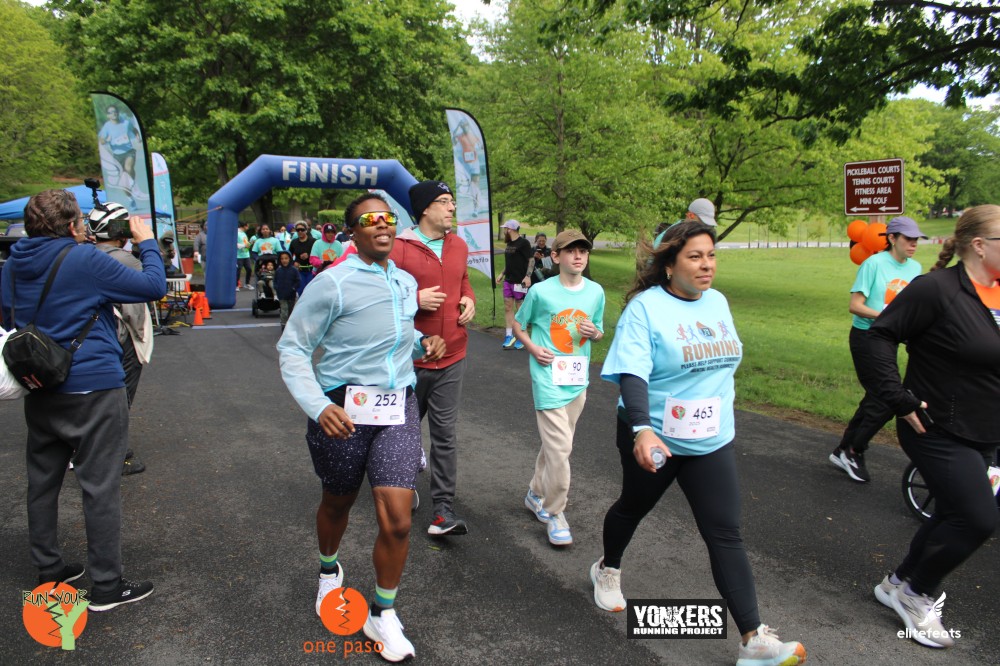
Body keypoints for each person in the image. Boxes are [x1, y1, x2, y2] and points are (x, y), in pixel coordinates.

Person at [591, 221, 806, 666]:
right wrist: (642, 428)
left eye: (711, 255)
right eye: (695, 256)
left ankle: (753, 640)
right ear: (669, 265)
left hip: (711, 440)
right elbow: (633, 373)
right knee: (633, 506)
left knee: (725, 531)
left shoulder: (718, 302)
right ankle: (607, 567)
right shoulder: (645, 309)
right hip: (655, 437)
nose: (707, 265)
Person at [277, 193, 445, 663]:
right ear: (352, 232)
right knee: (338, 500)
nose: (382, 225)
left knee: (398, 517)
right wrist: (317, 406)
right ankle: (328, 569)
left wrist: (423, 341)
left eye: (388, 218)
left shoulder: (405, 282)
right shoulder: (331, 283)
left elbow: (398, 332)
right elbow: (293, 349)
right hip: (342, 410)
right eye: (370, 219)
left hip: (397, 407)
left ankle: (382, 613)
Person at [0, 189, 166, 611]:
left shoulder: (13, 263)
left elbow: (8, 316)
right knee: (99, 486)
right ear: (74, 225)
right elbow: (153, 286)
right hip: (93, 384)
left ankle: (49, 568)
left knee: (42, 482)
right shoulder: (85, 259)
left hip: (40, 383)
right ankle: (107, 585)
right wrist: (147, 242)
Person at [867, 205, 1000, 650]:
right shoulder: (937, 290)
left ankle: (897, 582)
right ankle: (917, 594)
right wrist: (898, 397)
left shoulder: (997, 292)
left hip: (984, 430)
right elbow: (879, 336)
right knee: (977, 519)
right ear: (979, 246)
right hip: (936, 427)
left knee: (950, 512)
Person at [389, 180, 476, 536]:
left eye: (452, 201)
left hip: (452, 355)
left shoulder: (458, 245)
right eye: (444, 201)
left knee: (445, 436)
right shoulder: (398, 249)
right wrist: (415, 300)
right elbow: (381, 297)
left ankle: (443, 511)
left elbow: (463, 280)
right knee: (402, 434)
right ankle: (401, 484)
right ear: (425, 209)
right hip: (409, 360)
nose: (452, 207)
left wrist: (468, 299)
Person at [513, 230, 605, 546]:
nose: (578, 256)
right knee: (561, 448)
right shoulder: (541, 292)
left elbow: (599, 332)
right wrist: (532, 348)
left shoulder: (595, 292)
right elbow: (518, 325)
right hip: (548, 378)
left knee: (557, 446)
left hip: (577, 381)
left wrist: (594, 333)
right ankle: (555, 512)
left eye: (583, 251)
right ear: (556, 256)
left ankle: (535, 492)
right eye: (571, 251)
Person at [829, 216, 926, 482]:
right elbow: (855, 305)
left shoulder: (915, 268)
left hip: (891, 339)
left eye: (917, 239)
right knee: (888, 397)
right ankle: (853, 450)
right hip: (867, 336)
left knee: (877, 395)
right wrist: (888, 318)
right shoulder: (873, 264)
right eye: (908, 239)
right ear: (892, 238)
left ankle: (844, 449)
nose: (914, 244)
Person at [89, 202, 155, 476]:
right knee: (120, 398)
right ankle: (114, 455)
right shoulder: (122, 259)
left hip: (99, 337)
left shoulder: (87, 254)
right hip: (123, 335)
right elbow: (155, 283)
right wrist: (147, 243)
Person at [495, 220, 533, 349]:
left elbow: (531, 260)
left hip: (520, 281)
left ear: (510, 229)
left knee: (520, 308)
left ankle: (521, 336)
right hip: (508, 280)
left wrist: (528, 276)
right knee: (508, 307)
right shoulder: (509, 243)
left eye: (505, 228)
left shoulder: (524, 243)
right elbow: (510, 262)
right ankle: (509, 335)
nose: (504, 231)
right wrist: (502, 273)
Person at [652, 198, 718, 248]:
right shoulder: (675, 235)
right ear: (690, 215)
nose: (704, 227)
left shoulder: (689, 233)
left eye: (708, 225)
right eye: (702, 223)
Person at [288, 221, 316, 295]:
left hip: (311, 270)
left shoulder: (313, 241)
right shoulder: (294, 242)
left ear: (306, 230)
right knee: (301, 290)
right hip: (299, 270)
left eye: (302, 230)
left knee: (310, 291)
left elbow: (318, 254)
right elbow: (288, 256)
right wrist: (294, 263)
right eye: (298, 230)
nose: (300, 231)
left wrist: (309, 255)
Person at [274, 250, 300, 331]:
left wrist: (294, 288)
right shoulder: (278, 270)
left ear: (290, 259)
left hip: (291, 294)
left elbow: (298, 280)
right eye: (282, 259)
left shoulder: (294, 270)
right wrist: (276, 287)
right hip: (282, 294)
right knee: (284, 310)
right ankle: (284, 324)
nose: (284, 260)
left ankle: (290, 324)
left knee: (291, 310)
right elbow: (275, 280)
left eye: (286, 258)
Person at [236, 220, 252, 290]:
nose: (248, 227)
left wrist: (248, 244)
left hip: (246, 255)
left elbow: (245, 243)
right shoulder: (237, 233)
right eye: (247, 226)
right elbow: (236, 244)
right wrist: (244, 245)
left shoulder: (244, 233)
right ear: (244, 226)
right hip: (239, 256)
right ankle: (236, 285)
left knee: (249, 269)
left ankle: (247, 283)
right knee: (238, 270)